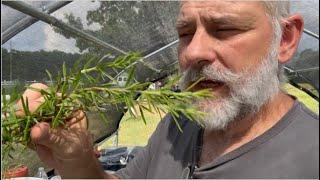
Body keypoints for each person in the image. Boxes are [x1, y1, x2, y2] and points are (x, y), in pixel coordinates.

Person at [16, 1, 319, 179]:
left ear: (285, 40)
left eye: (225, 29)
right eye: (185, 33)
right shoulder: (180, 125)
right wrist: (79, 162)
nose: (192, 52)